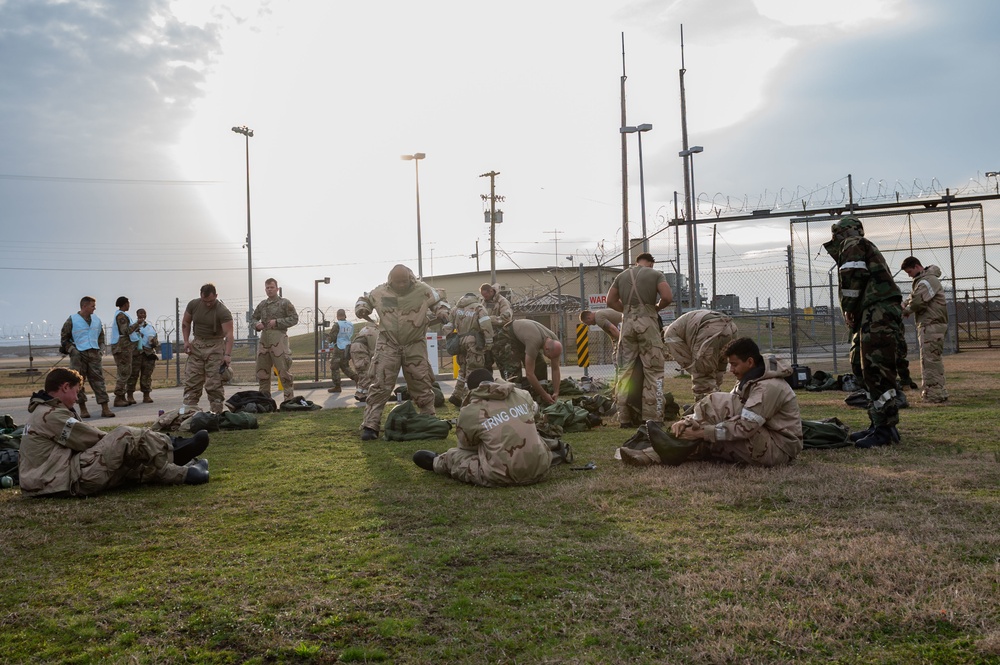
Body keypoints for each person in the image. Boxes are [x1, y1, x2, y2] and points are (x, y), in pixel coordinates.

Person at [18, 368, 210, 497]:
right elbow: (90, 438)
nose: (77, 398)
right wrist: (127, 441)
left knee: (129, 465)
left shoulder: (44, 411)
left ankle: (185, 470)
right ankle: (175, 451)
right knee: (125, 436)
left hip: (53, 481)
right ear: (65, 387)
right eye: (76, 392)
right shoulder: (50, 415)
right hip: (62, 479)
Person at [619, 338, 802, 467]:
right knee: (709, 429)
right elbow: (727, 414)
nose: (731, 370)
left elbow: (745, 426)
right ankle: (651, 455)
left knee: (713, 417)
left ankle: (656, 453)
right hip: (762, 438)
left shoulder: (769, 387)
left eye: (734, 364)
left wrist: (702, 431)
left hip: (778, 449)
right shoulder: (751, 380)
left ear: (750, 362)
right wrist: (690, 421)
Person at [823, 215, 904, 448]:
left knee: (875, 369)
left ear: (841, 233)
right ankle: (878, 423)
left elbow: (852, 277)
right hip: (871, 311)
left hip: (876, 311)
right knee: (863, 369)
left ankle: (885, 430)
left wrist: (848, 309)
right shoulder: (860, 245)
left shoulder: (853, 243)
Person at [412, 369, 555, 487]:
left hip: (502, 475)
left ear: (471, 390)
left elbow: (467, 447)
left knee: (455, 455)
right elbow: (535, 416)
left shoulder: (470, 411)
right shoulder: (522, 394)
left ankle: (438, 462)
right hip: (541, 468)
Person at [355, 264, 451, 440]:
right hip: (388, 344)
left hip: (414, 344)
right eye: (397, 282)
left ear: (411, 279)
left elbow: (440, 301)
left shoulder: (423, 289)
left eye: (404, 281)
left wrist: (442, 311)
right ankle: (370, 425)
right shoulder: (380, 292)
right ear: (390, 280)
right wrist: (362, 309)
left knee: (421, 383)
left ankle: (428, 420)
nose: (401, 285)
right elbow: (364, 300)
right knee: (380, 385)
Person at [606, 252, 673, 427]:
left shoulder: (621, 276)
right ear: (651, 263)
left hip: (627, 323)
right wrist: (655, 308)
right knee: (654, 372)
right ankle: (654, 417)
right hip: (648, 323)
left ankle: (624, 417)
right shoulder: (655, 274)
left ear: (637, 262)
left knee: (624, 371)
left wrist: (627, 311)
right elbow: (667, 297)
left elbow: (610, 301)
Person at [662, 309, 739, 400]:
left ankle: (706, 408)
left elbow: (686, 360)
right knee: (718, 371)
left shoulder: (669, 335)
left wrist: (700, 373)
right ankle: (717, 400)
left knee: (702, 376)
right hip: (730, 327)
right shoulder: (679, 325)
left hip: (710, 329)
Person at [901, 257, 949, 403]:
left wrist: (906, 310)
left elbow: (917, 301)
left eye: (909, 271)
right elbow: (913, 297)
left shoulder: (927, 281)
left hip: (931, 325)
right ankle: (939, 391)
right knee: (933, 358)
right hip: (931, 324)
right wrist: (905, 305)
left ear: (917, 266)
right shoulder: (924, 280)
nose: (909, 275)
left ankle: (933, 395)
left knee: (929, 360)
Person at [181, 283, 234, 415]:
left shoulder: (223, 311)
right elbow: (186, 322)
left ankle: (216, 413)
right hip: (197, 345)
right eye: (205, 301)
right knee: (192, 380)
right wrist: (186, 341)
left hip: (215, 345)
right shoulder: (194, 305)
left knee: (214, 383)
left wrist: (227, 355)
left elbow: (229, 334)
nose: (208, 304)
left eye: (211, 301)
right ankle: (188, 412)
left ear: (216, 296)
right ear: (201, 296)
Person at [59, 296, 114, 419]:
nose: (94, 308)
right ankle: (83, 409)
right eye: (92, 306)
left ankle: (105, 408)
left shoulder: (96, 320)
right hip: (79, 355)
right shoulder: (72, 320)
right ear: (84, 306)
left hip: (94, 354)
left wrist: (101, 349)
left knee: (99, 381)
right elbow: (64, 339)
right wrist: (73, 350)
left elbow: (101, 336)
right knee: (78, 382)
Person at [251, 278, 299, 402]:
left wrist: (277, 322)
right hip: (264, 340)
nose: (269, 290)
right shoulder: (262, 305)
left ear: (277, 289)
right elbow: (253, 319)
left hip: (279, 339)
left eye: (272, 287)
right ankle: (265, 402)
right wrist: (256, 325)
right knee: (262, 372)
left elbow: (294, 318)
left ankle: (289, 401)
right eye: (267, 287)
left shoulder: (284, 303)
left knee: (283, 371)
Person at [497, 319, 563, 405]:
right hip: (507, 335)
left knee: (541, 366)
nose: (550, 358)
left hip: (523, 338)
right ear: (546, 349)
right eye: (549, 357)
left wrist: (556, 392)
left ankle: (538, 400)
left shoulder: (555, 342)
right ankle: (516, 402)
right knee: (513, 371)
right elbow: (529, 374)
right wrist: (544, 395)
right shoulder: (534, 341)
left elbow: (555, 369)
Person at [445, 292, 494, 407]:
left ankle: (456, 394)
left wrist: (451, 338)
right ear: (474, 298)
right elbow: (486, 325)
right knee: (473, 369)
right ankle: (468, 397)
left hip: (460, 341)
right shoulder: (478, 308)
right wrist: (489, 341)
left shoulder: (455, 309)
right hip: (474, 342)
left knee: (463, 369)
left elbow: (448, 326)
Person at [111, 296, 142, 407]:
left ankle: (122, 397)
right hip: (122, 347)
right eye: (128, 303)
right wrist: (136, 324)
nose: (129, 305)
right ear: (124, 304)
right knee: (124, 372)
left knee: (126, 371)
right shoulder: (121, 316)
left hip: (125, 347)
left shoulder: (122, 315)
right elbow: (126, 330)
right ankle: (119, 397)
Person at [127, 308, 159, 403]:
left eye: (144, 313)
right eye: (140, 313)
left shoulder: (150, 327)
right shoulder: (133, 326)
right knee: (133, 375)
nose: (142, 315)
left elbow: (156, 341)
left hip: (148, 354)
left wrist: (154, 342)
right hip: (136, 354)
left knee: (146, 376)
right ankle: (130, 395)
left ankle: (146, 395)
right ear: (137, 315)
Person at [479, 283, 513, 372]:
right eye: (483, 296)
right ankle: (487, 384)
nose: (485, 298)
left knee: (503, 365)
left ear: (491, 291)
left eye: (486, 295)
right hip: (487, 339)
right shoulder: (483, 302)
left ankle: (506, 384)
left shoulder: (502, 301)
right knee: (485, 365)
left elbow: (506, 318)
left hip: (500, 339)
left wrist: (488, 319)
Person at [326, 309, 358, 394]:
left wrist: (328, 339)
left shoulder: (337, 325)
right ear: (345, 315)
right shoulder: (350, 324)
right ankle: (356, 378)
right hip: (347, 346)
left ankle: (337, 386)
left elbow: (332, 337)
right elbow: (350, 335)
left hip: (339, 347)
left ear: (337, 316)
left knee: (334, 366)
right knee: (345, 366)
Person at [349, 321, 379, 402]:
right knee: (366, 372)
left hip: (353, 349)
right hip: (362, 350)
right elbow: (373, 350)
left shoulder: (364, 329)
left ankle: (360, 392)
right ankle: (363, 394)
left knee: (361, 372)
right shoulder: (375, 331)